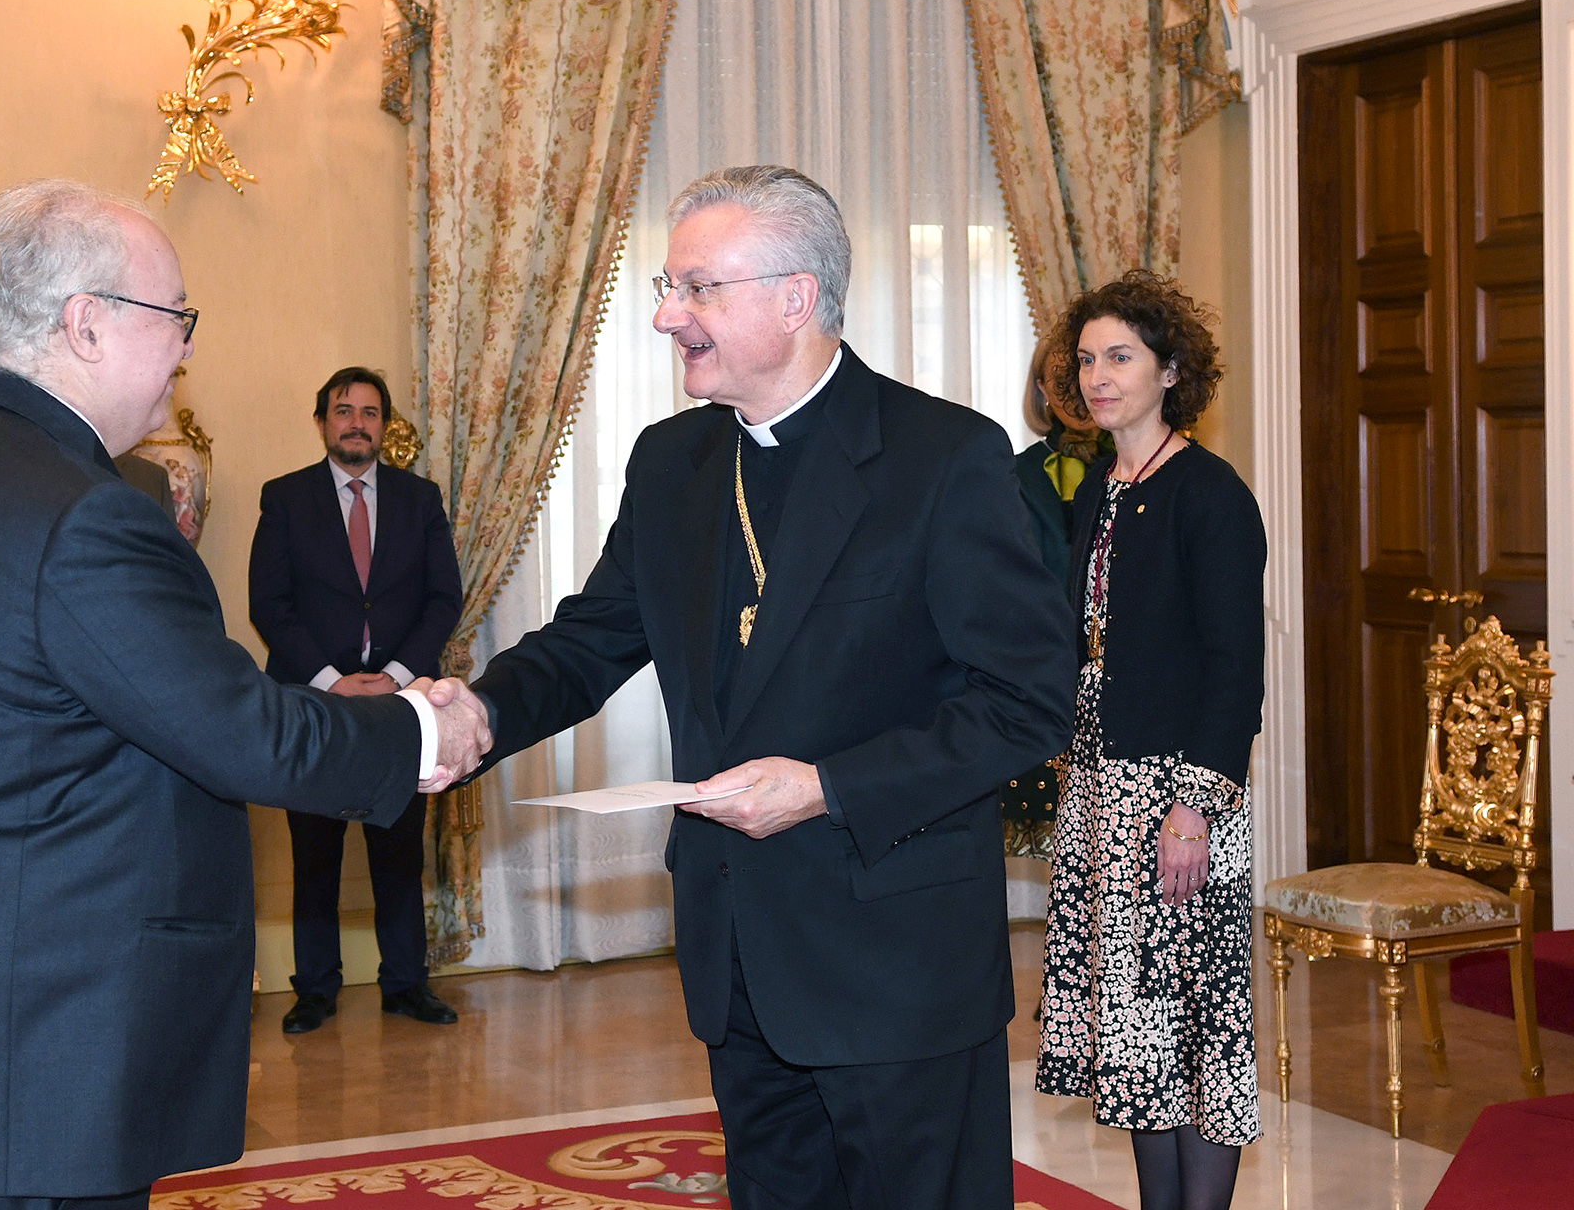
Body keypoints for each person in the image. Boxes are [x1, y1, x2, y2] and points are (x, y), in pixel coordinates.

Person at [0, 179, 491, 1210]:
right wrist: (420, 727)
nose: (187, 351)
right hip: (21, 1065)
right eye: (175, 318)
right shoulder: (77, 513)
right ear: (84, 325)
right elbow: (239, 729)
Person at [467, 165, 1079, 1209]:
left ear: (794, 298)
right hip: (737, 951)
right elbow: (590, 642)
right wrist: (473, 712)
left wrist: (826, 785)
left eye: (696, 287)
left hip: (894, 963)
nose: (667, 315)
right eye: (670, 286)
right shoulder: (672, 464)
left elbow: (1027, 699)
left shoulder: (940, 458)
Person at [1034, 271, 1265, 1210]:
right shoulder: (1096, 486)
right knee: (1135, 1033)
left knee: (1193, 1030)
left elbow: (1233, 671)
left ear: (1171, 371)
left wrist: (1192, 809)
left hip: (1178, 799)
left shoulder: (1209, 494)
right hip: (1101, 788)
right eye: (1086, 359)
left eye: (1120, 356)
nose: (1097, 376)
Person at [250, 367, 465, 1034]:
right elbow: (270, 604)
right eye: (343, 410)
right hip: (314, 705)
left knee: (397, 850)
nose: (356, 423)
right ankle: (315, 990)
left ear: (383, 426)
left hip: (402, 705)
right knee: (315, 851)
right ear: (321, 423)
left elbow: (443, 600)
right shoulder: (284, 499)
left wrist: (398, 675)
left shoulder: (419, 498)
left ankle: (406, 984)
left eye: (370, 413)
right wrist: (331, 680)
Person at [1005, 340, 1109, 843]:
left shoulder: (1139, 465)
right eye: (1061, 376)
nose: (1076, 386)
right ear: (1042, 389)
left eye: (1085, 368)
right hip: (1042, 668)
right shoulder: (1013, 471)